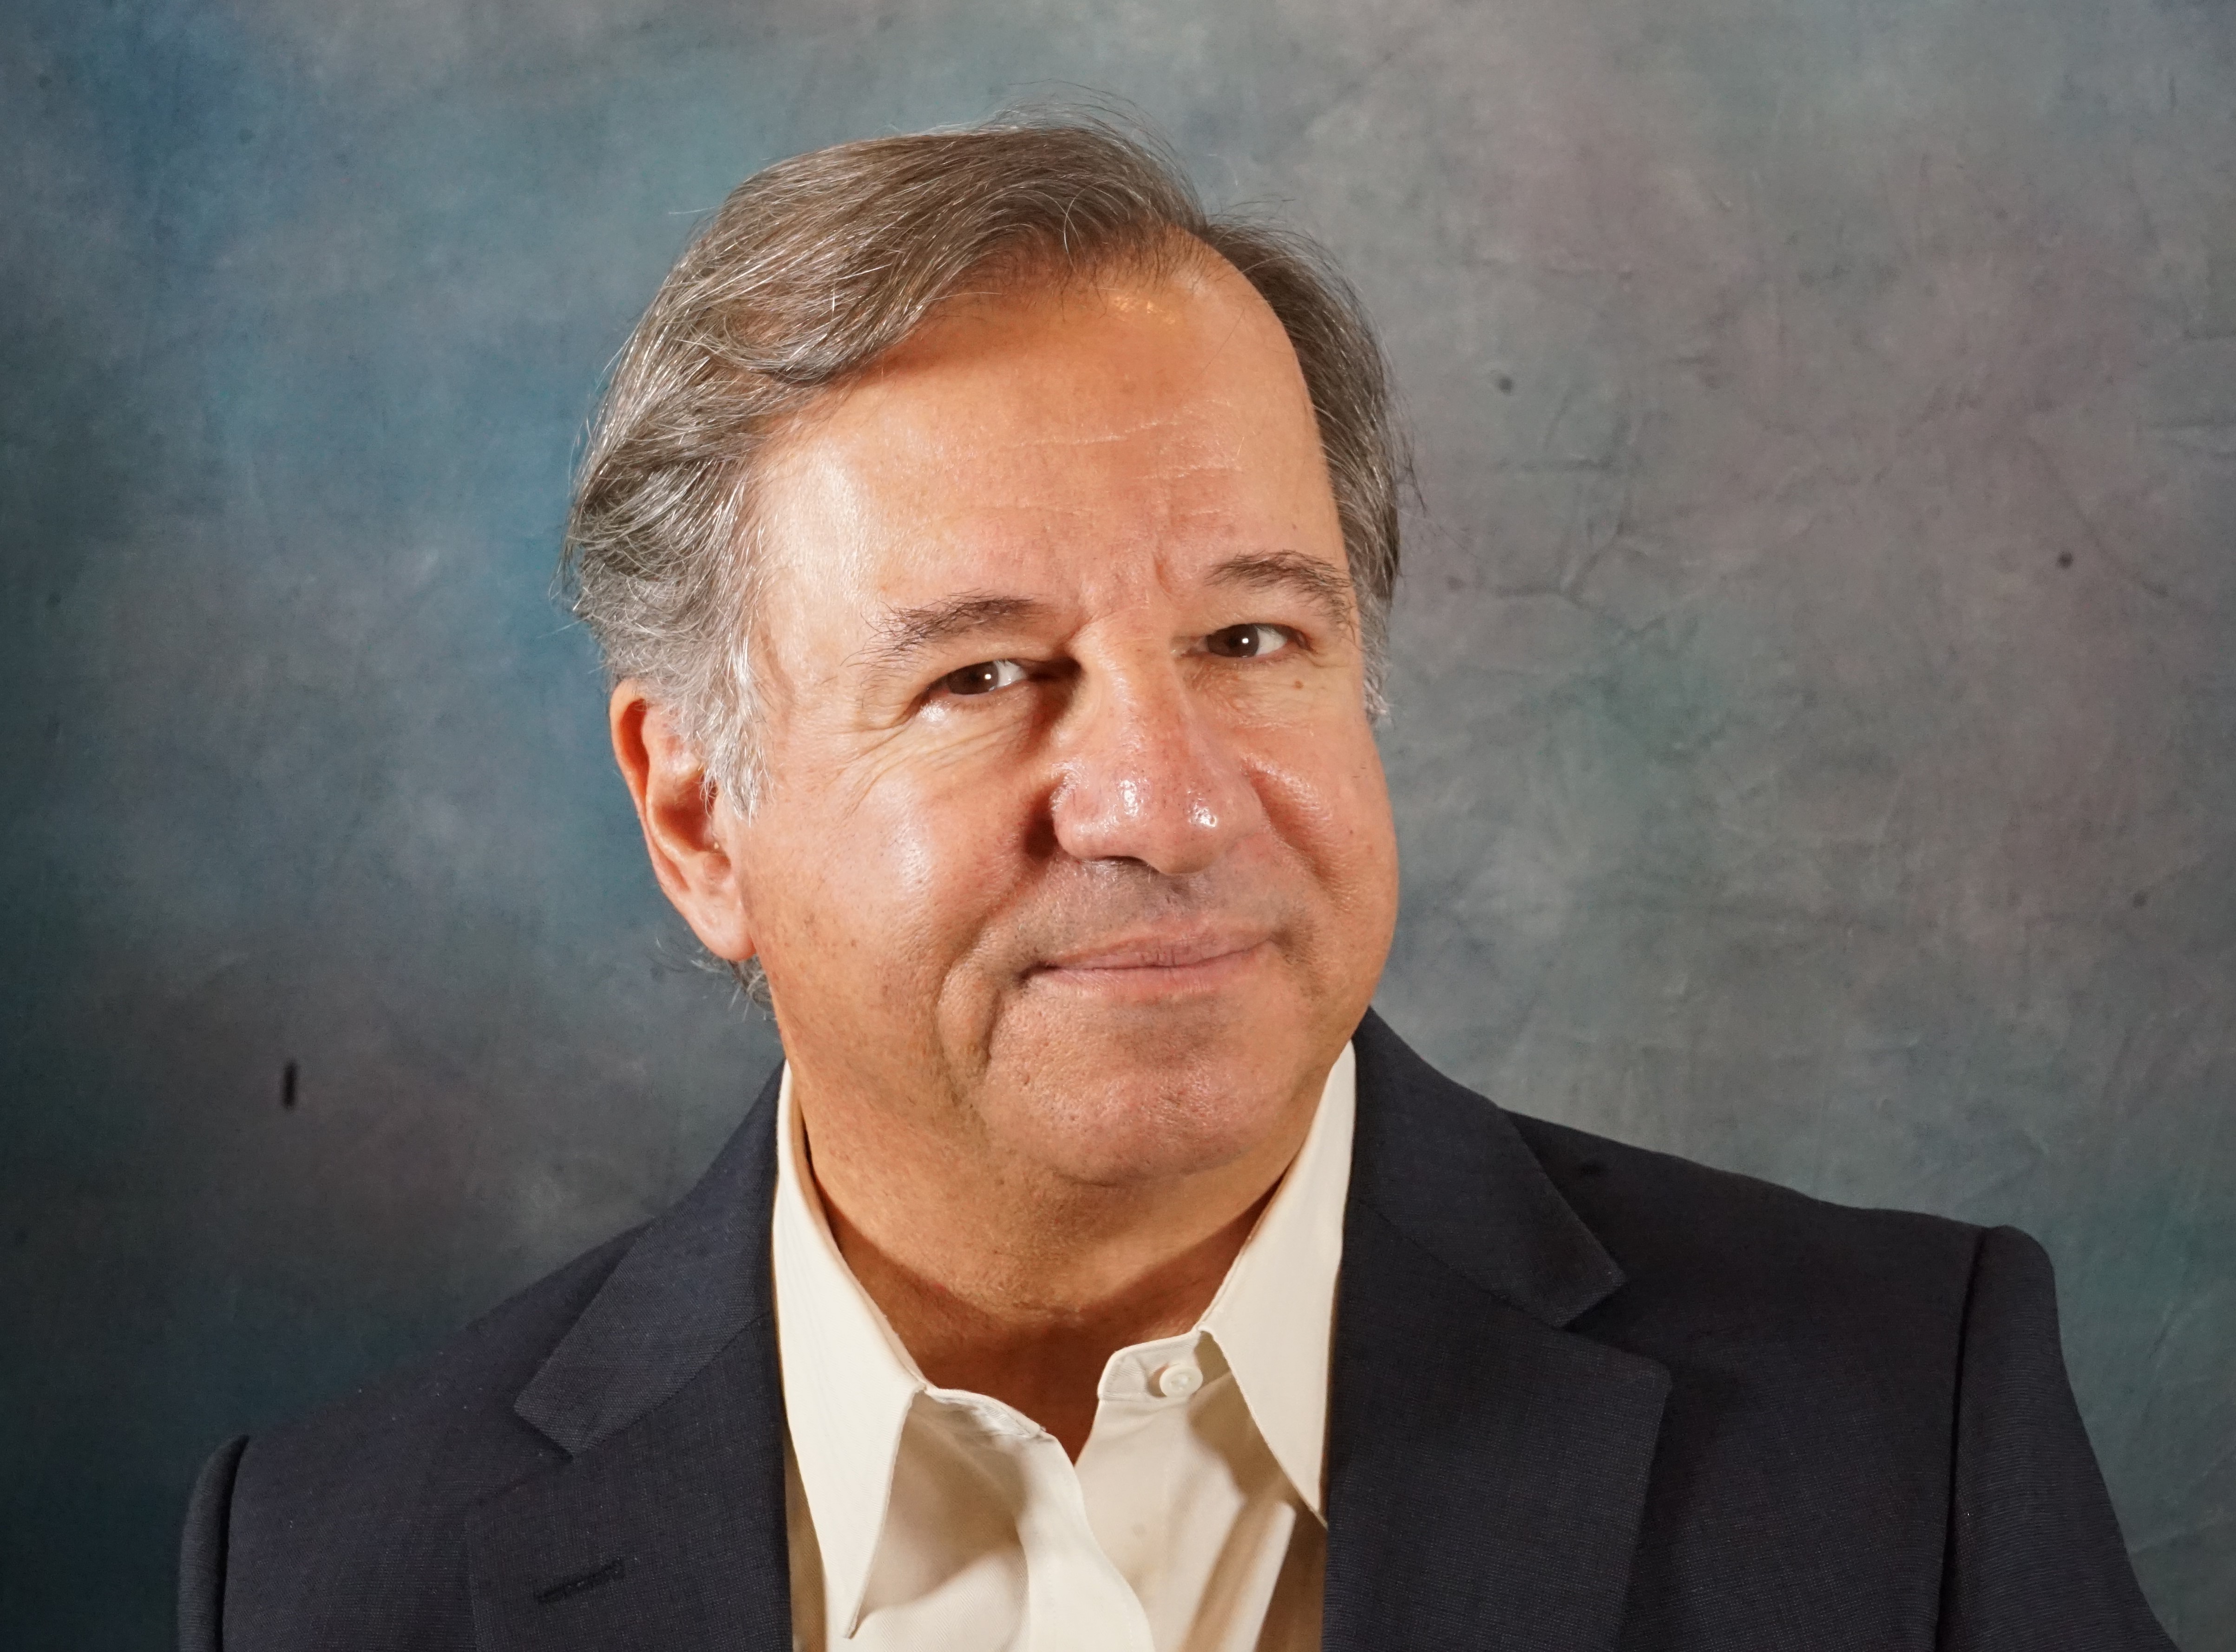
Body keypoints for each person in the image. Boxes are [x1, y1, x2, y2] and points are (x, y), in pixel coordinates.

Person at [177, 116, 2175, 1652]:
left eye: (1248, 639)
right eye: (983, 676)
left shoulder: (1894, 1430)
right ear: (699, 819)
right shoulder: (333, 1568)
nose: (1165, 800)